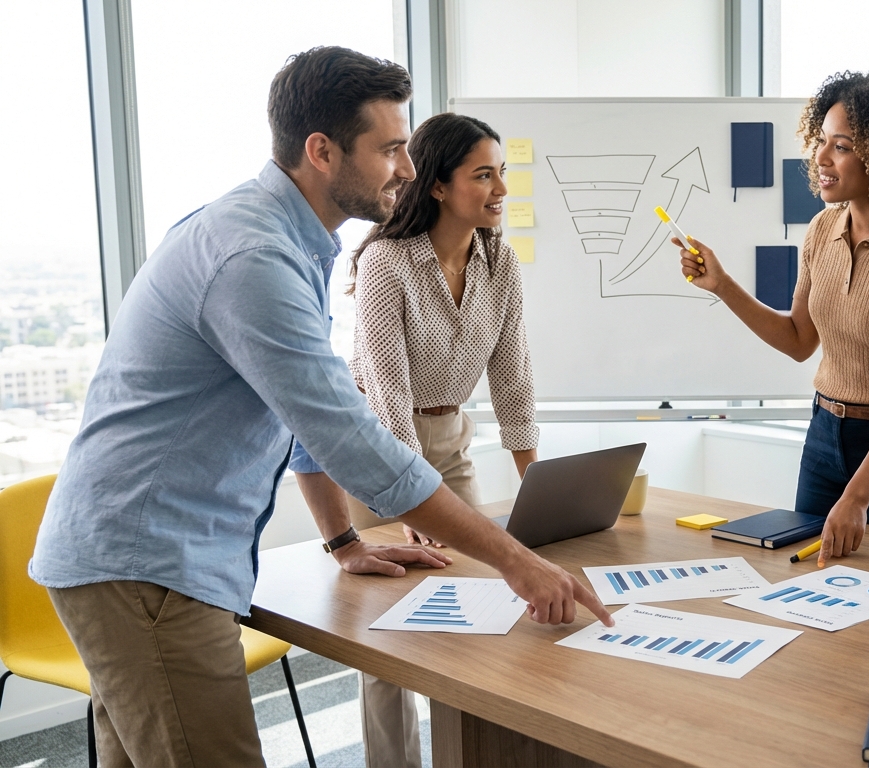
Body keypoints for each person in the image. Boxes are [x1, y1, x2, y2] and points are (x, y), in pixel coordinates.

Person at [29, 47, 610, 768]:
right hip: (147, 571)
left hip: (133, 563)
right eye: (391, 147)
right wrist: (516, 563)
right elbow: (351, 438)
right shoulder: (255, 258)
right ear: (322, 151)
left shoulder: (288, 242)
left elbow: (301, 414)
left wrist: (343, 541)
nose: (406, 165)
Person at [679, 70, 869, 566]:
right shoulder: (822, 228)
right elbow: (797, 340)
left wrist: (857, 497)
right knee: (809, 586)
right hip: (825, 437)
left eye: (842, 146)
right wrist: (722, 285)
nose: (822, 159)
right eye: (823, 142)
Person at [327, 112, 540, 768]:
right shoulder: (388, 261)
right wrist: (413, 498)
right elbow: (387, 398)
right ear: (439, 186)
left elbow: (513, 381)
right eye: (483, 174)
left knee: (480, 601)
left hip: (452, 442)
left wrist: (538, 484)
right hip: (380, 453)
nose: (501, 187)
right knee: (387, 638)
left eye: (503, 172)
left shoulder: (500, 261)